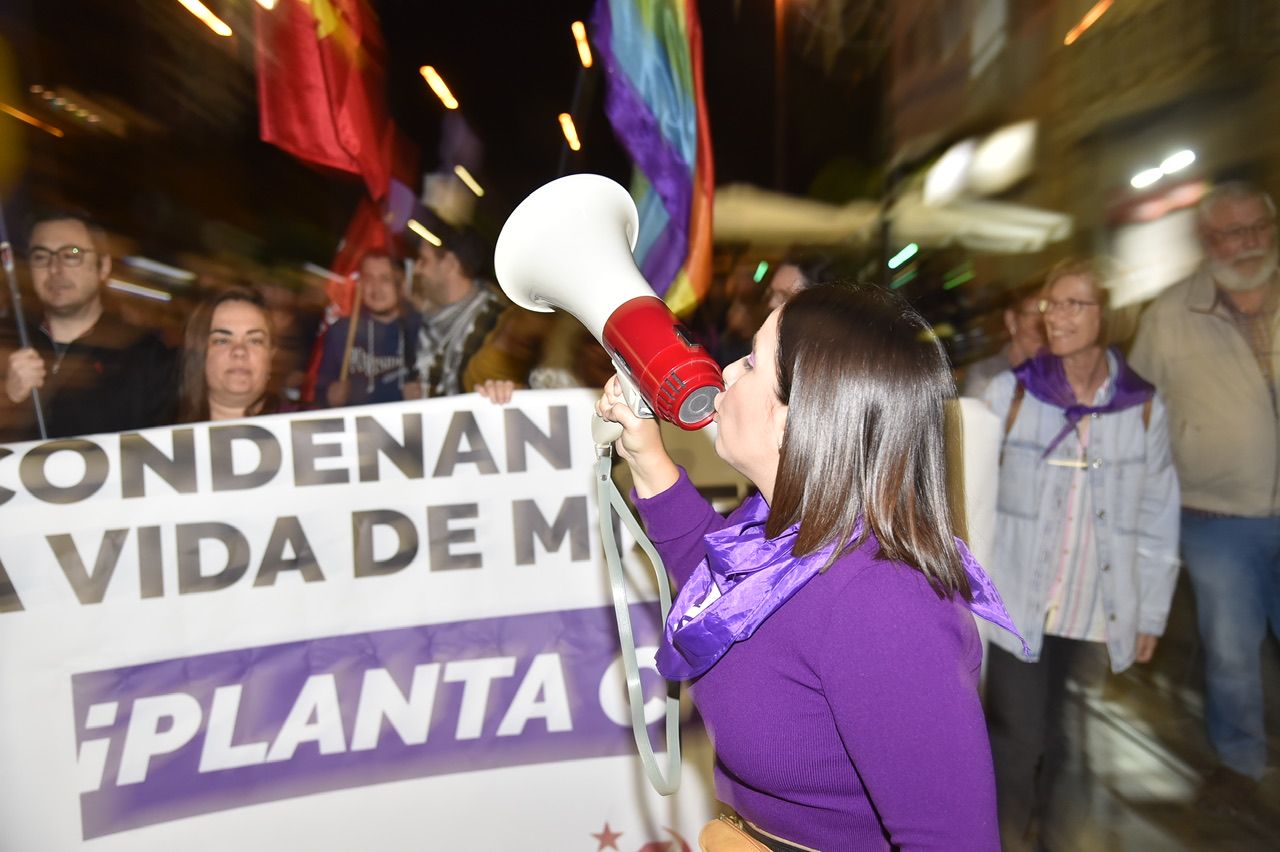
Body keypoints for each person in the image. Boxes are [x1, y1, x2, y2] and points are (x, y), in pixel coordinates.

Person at [597, 283, 1022, 851]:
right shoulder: (783, 532)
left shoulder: (884, 604)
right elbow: (723, 596)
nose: (723, 373)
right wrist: (647, 456)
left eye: (750, 362)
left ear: (796, 419)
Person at [982, 259, 1180, 851]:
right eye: (1052, 304)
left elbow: (1157, 517)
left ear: (1108, 316)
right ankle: (1004, 839)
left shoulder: (1143, 408)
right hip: (1019, 601)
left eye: (1075, 305)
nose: (1058, 317)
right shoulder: (1009, 395)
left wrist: (1150, 615)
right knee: (1020, 739)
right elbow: (968, 499)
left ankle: (1056, 841)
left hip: (1094, 608)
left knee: (1067, 738)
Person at [1129, 181, 1280, 815]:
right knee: (1231, 651)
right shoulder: (1170, 313)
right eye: (1229, 233)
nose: (1246, 245)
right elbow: (1136, 409)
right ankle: (1241, 762)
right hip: (1217, 517)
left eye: (1256, 230)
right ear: (1205, 241)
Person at [2, 210, 175, 441]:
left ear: (103, 267)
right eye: (41, 256)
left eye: (72, 254)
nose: (55, 269)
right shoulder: (9, 341)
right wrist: (9, 400)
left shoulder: (147, 357)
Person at [411, 223, 508, 398]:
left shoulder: (495, 323)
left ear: (449, 264)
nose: (417, 269)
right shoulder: (430, 324)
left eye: (423, 260)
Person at [315, 250, 421, 408]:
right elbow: (319, 388)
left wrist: (425, 394)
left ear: (402, 285)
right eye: (368, 278)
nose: (375, 288)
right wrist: (329, 395)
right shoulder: (341, 331)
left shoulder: (420, 330)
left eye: (385, 279)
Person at [177, 287, 276, 422]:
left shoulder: (307, 431)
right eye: (222, 341)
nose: (240, 351)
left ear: (271, 355)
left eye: (255, 341)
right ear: (198, 355)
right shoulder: (159, 438)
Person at [962, 283, 1046, 399]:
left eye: (1047, 314)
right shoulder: (986, 374)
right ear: (1011, 320)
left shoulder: (1060, 370)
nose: (1042, 324)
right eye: (1033, 315)